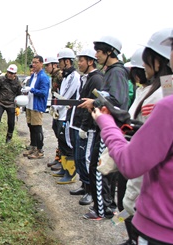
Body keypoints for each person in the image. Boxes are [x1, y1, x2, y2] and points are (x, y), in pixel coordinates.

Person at [91, 28, 173, 245]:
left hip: (157, 215)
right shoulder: (160, 91)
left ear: (157, 62)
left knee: (128, 212)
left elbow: (135, 163)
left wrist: (107, 123)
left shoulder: (164, 100)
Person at [119, 29, 173, 245]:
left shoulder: (160, 99)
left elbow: (144, 159)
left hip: (147, 190)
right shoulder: (160, 90)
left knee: (125, 208)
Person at [80, 35, 129, 220]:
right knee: (102, 168)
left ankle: (101, 210)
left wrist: (95, 101)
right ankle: (107, 207)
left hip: (110, 127)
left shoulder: (116, 73)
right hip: (107, 126)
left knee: (99, 168)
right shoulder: (110, 71)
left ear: (109, 52)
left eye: (99, 52)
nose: (96, 56)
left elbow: (117, 101)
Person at [69, 48, 103, 205]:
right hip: (79, 123)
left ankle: (91, 190)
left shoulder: (96, 79)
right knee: (78, 157)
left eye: (81, 60)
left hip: (88, 126)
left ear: (90, 61)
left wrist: (84, 126)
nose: (79, 63)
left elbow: (92, 106)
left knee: (85, 158)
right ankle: (84, 184)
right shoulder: (87, 78)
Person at [51, 48, 80, 184]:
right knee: (61, 142)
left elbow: (66, 95)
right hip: (60, 113)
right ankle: (63, 167)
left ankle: (71, 172)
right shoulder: (66, 76)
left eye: (60, 61)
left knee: (67, 143)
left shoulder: (74, 77)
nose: (59, 64)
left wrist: (56, 105)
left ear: (67, 61)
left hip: (67, 114)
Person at [21, 55, 50, 159]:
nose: (33, 64)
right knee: (31, 126)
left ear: (41, 63)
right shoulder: (33, 76)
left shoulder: (43, 77)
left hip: (37, 105)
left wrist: (31, 90)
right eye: (33, 62)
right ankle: (33, 146)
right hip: (29, 104)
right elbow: (30, 88)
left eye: (36, 62)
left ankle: (40, 149)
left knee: (37, 128)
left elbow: (43, 92)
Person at [0, 64, 22, 143]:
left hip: (11, 104)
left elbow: (19, 95)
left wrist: (18, 107)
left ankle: (9, 138)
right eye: (9, 72)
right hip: (1, 102)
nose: (10, 74)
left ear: (15, 74)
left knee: (11, 122)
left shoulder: (18, 83)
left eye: (12, 73)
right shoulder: (2, 79)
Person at [43, 57, 63, 170]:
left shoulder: (60, 75)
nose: (46, 68)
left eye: (48, 65)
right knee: (56, 131)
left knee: (61, 134)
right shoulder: (53, 76)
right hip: (56, 106)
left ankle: (62, 160)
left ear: (54, 65)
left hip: (62, 108)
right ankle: (58, 157)